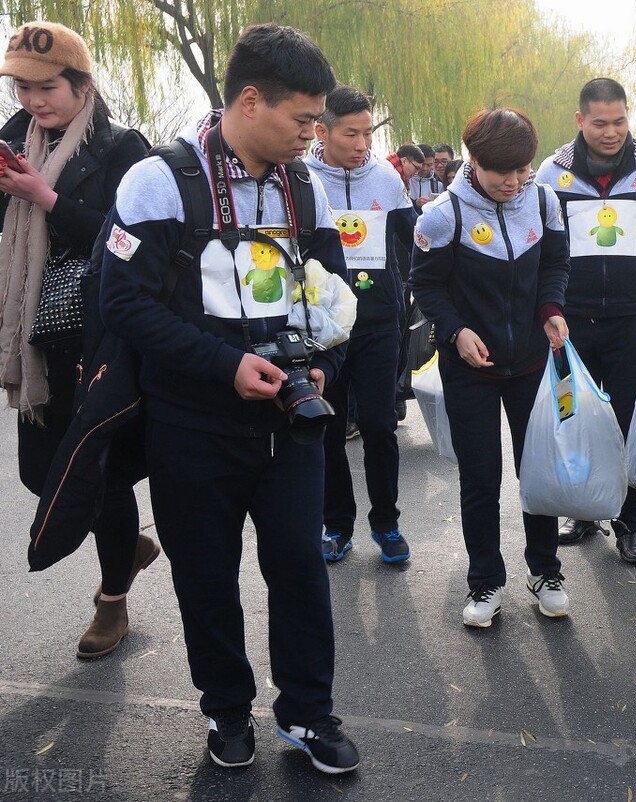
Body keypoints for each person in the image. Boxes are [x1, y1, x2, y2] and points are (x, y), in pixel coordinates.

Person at [99, 23, 360, 773]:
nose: (314, 137)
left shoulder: (301, 184)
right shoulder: (160, 179)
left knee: (301, 574)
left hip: (290, 426)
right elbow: (125, 304)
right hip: (191, 426)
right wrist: (224, 366)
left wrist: (322, 371)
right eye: (303, 120)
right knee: (206, 580)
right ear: (251, 101)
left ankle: (308, 716)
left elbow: (334, 300)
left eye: (319, 123)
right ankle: (226, 711)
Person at [0, 20, 155, 660]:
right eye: (22, 89)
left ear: (82, 82)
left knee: (103, 476)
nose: (34, 102)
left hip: (100, 340)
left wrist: (45, 195)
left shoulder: (124, 148)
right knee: (43, 474)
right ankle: (127, 543)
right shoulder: (13, 138)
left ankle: (111, 601)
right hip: (37, 338)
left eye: (46, 88)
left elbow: (132, 243)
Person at [411, 107, 571, 629]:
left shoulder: (544, 200)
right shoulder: (442, 215)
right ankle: (484, 581)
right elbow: (426, 286)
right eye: (501, 171)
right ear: (472, 160)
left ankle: (545, 570)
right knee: (480, 477)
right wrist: (457, 330)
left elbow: (555, 265)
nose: (514, 181)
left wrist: (550, 310)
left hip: (531, 364)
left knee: (538, 471)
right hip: (469, 368)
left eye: (522, 169)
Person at [535, 77, 636, 564]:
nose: (611, 131)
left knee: (625, 422)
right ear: (580, 121)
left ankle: (628, 521)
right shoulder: (550, 176)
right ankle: (583, 508)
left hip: (632, 320)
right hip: (569, 324)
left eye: (619, 121)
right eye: (600, 123)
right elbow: (543, 251)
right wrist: (548, 310)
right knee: (574, 419)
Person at [306, 85, 416, 564]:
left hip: (377, 324)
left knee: (378, 425)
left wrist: (401, 298)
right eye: (350, 133)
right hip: (325, 329)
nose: (361, 143)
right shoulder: (301, 177)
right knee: (328, 429)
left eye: (367, 132)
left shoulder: (388, 181)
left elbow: (410, 245)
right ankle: (336, 523)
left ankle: (387, 523)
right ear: (321, 131)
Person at [408, 143, 443, 210]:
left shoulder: (438, 184)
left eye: (429, 165)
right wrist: (416, 203)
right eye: (422, 164)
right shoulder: (406, 180)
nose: (425, 168)